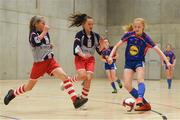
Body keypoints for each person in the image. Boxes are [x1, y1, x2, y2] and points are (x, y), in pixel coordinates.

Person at [4, 16, 88, 109]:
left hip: (50, 61)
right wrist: (44, 32)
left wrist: (49, 45)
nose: (45, 25)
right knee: (29, 87)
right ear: (36, 24)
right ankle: (12, 93)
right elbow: (36, 42)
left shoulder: (45, 33)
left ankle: (75, 100)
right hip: (39, 64)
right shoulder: (33, 34)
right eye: (43, 23)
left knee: (64, 77)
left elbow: (43, 45)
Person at [108, 18, 172, 111]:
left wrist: (167, 62)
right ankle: (145, 104)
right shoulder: (129, 35)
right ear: (133, 27)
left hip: (139, 62)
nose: (137, 28)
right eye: (135, 27)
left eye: (139, 27)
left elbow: (158, 51)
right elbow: (117, 46)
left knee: (140, 80)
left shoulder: (146, 38)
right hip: (129, 63)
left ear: (143, 28)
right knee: (127, 85)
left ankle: (139, 98)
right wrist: (110, 56)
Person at [60, 13, 103, 109]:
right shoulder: (79, 35)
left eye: (92, 24)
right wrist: (83, 55)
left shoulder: (96, 36)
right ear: (83, 24)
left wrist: (106, 55)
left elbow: (99, 49)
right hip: (80, 58)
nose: (91, 26)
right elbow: (76, 47)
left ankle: (83, 100)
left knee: (88, 78)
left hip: (90, 60)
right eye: (89, 24)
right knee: (82, 76)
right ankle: (67, 82)